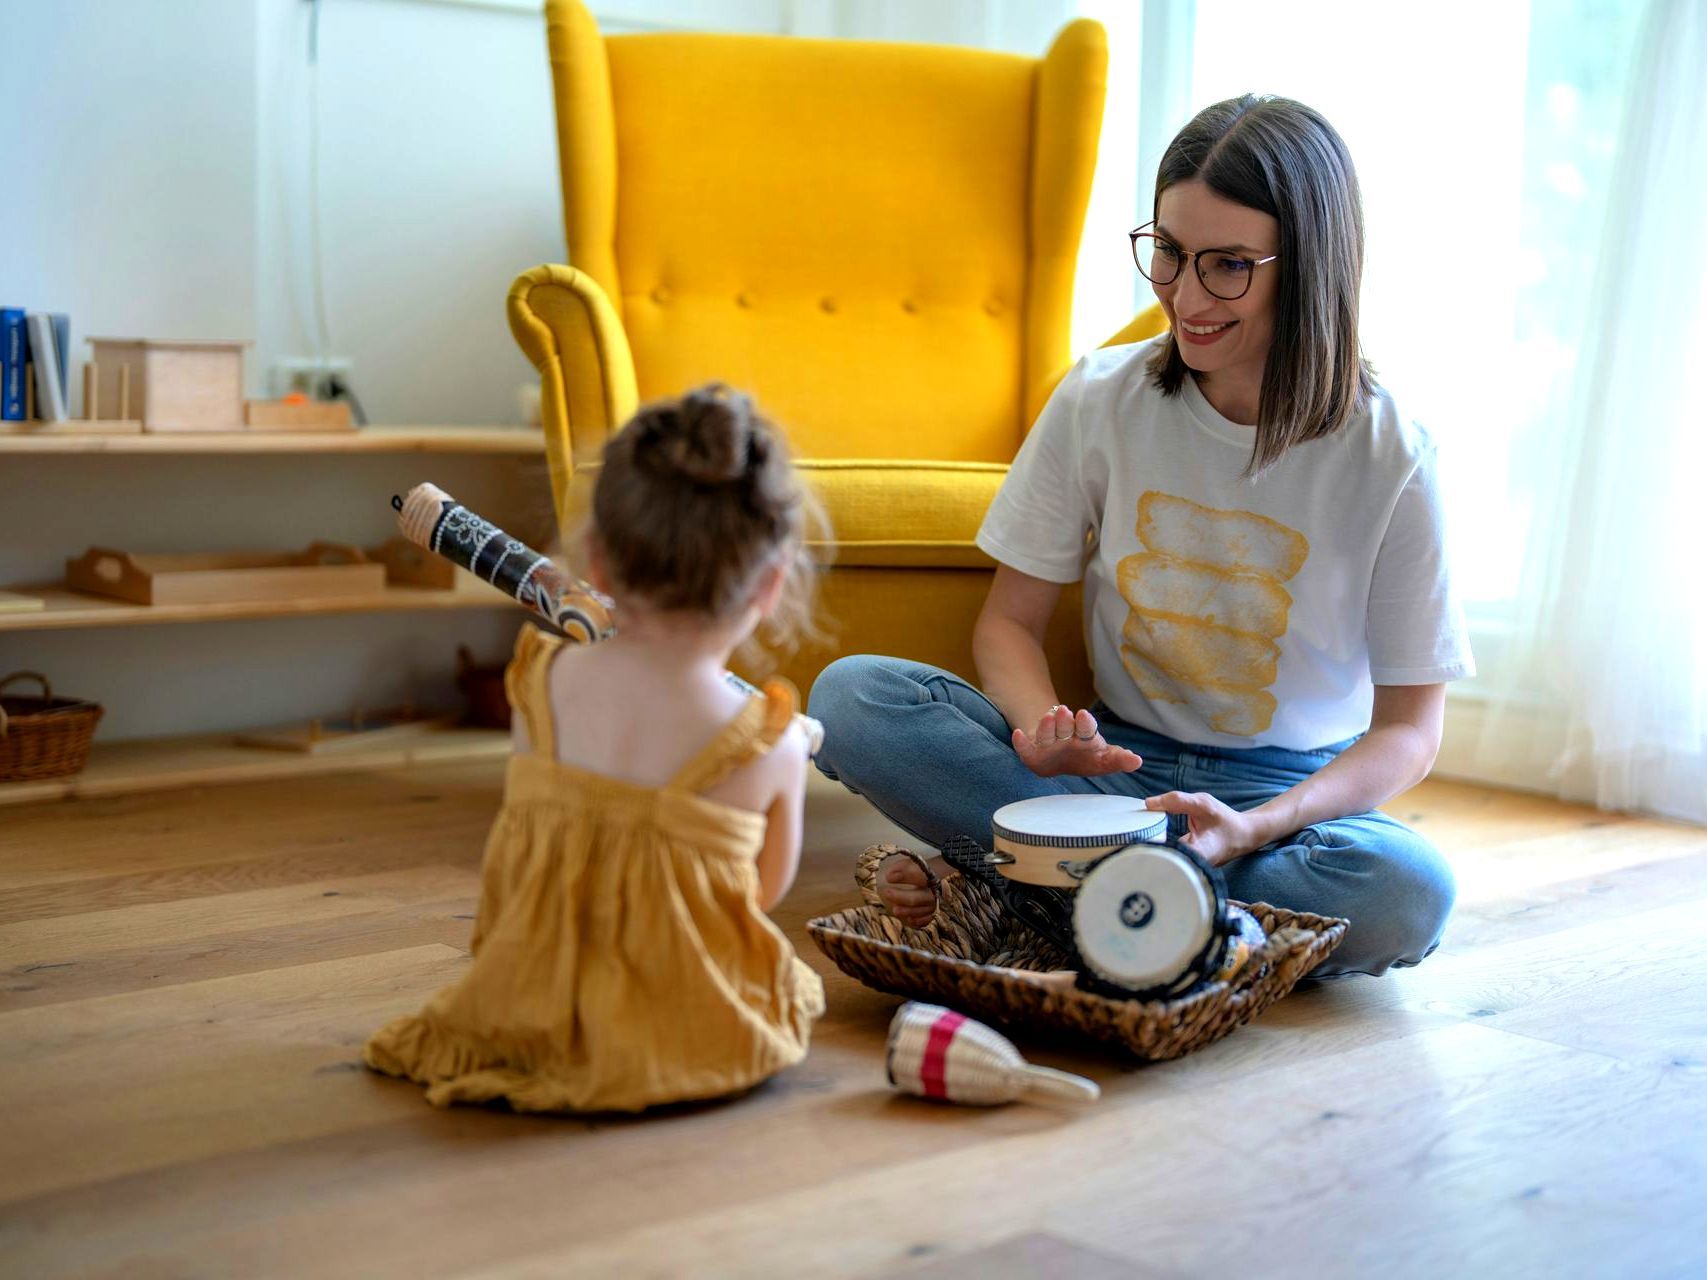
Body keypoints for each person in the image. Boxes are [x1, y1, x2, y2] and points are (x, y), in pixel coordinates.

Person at [809, 95, 1473, 979]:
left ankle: (1056, 896)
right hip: (1109, 780)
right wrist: (1037, 727)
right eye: (1167, 252)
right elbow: (1008, 623)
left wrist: (1260, 827)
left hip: (1286, 802)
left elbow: (1408, 732)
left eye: (1228, 265)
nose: (1184, 296)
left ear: (1310, 266)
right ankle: (1172, 918)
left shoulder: (1390, 451)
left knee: (1405, 891)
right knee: (854, 697)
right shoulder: (1099, 399)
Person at [366, 384, 826, 1110]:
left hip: (530, 993)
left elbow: (531, 849)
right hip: (681, 1023)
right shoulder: (769, 743)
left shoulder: (537, 683)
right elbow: (759, 895)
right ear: (769, 587)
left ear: (598, 567)